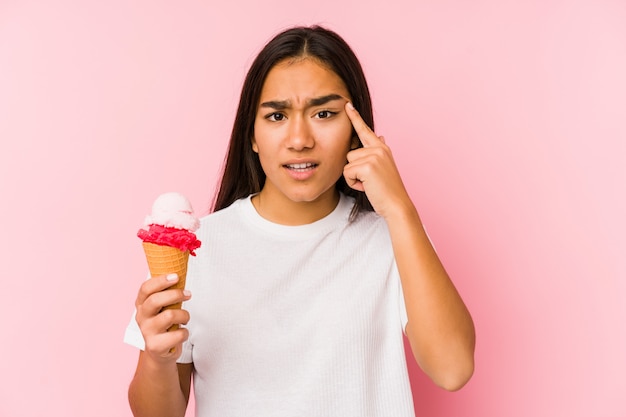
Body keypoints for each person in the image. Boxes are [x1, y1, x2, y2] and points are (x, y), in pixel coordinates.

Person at [124, 25, 475, 417]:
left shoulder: (394, 235)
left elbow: (453, 369)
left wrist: (401, 209)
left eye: (323, 113)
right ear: (252, 135)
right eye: (276, 116)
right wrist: (157, 358)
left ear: (357, 132)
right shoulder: (199, 248)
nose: (299, 139)